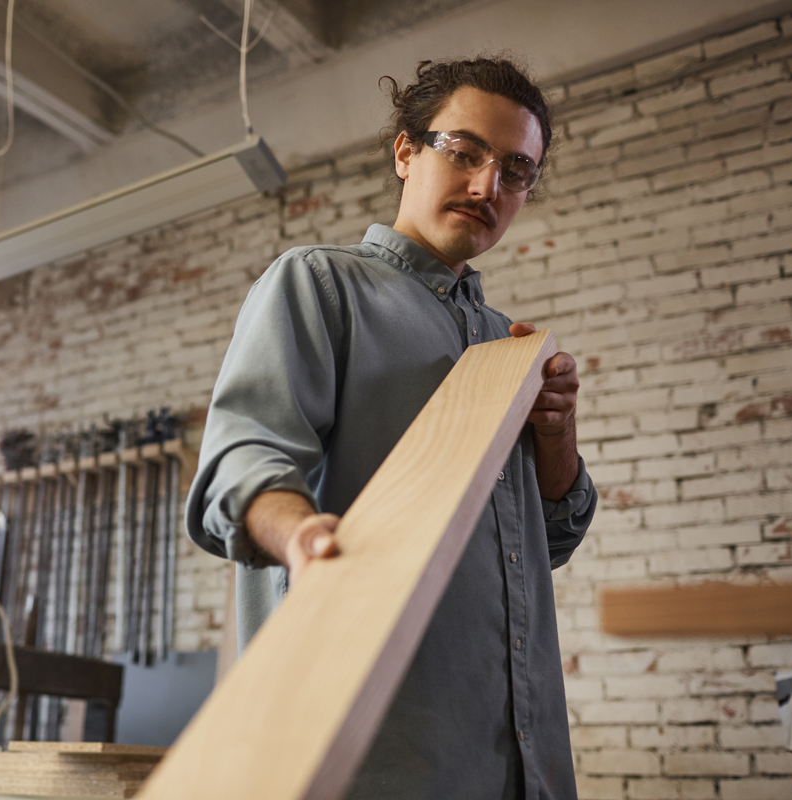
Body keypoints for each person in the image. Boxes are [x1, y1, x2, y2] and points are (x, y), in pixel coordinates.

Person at [185, 57, 597, 800]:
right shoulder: (318, 284)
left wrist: (555, 435)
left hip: (523, 761)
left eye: (515, 169)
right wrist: (302, 539)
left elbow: (550, 542)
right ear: (406, 152)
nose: (486, 187)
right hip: (373, 758)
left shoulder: (509, 347)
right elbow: (243, 461)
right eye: (463, 152)